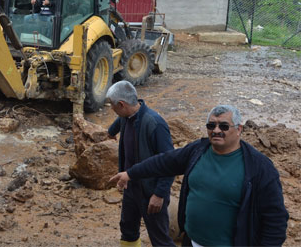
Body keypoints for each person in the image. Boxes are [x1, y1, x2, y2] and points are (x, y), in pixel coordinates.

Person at [110, 105, 289, 246]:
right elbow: (163, 162)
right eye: (211, 125)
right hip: (192, 242)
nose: (216, 130)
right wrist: (131, 173)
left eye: (224, 126)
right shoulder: (197, 150)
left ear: (239, 129)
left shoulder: (260, 168)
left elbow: (275, 219)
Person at [106, 81, 176, 247]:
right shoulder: (126, 116)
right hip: (131, 185)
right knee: (128, 229)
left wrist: (159, 194)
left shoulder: (155, 124)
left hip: (150, 191)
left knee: (159, 238)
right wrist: (110, 132)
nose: (111, 109)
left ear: (121, 104)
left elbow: (170, 162)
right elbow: (118, 122)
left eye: (112, 105)